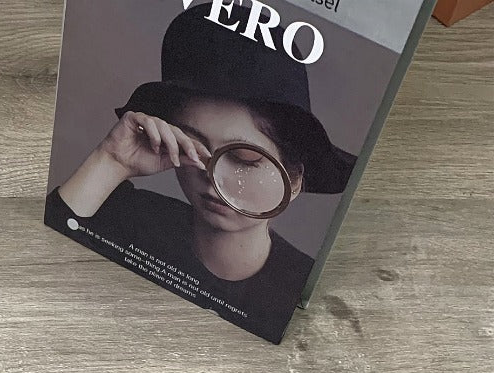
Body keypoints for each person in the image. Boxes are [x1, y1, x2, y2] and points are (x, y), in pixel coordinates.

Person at [45, 3, 356, 342]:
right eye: (192, 147)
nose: (212, 175)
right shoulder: (123, 214)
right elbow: (47, 248)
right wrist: (111, 161)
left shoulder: (298, 285)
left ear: (293, 179)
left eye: (244, 158)